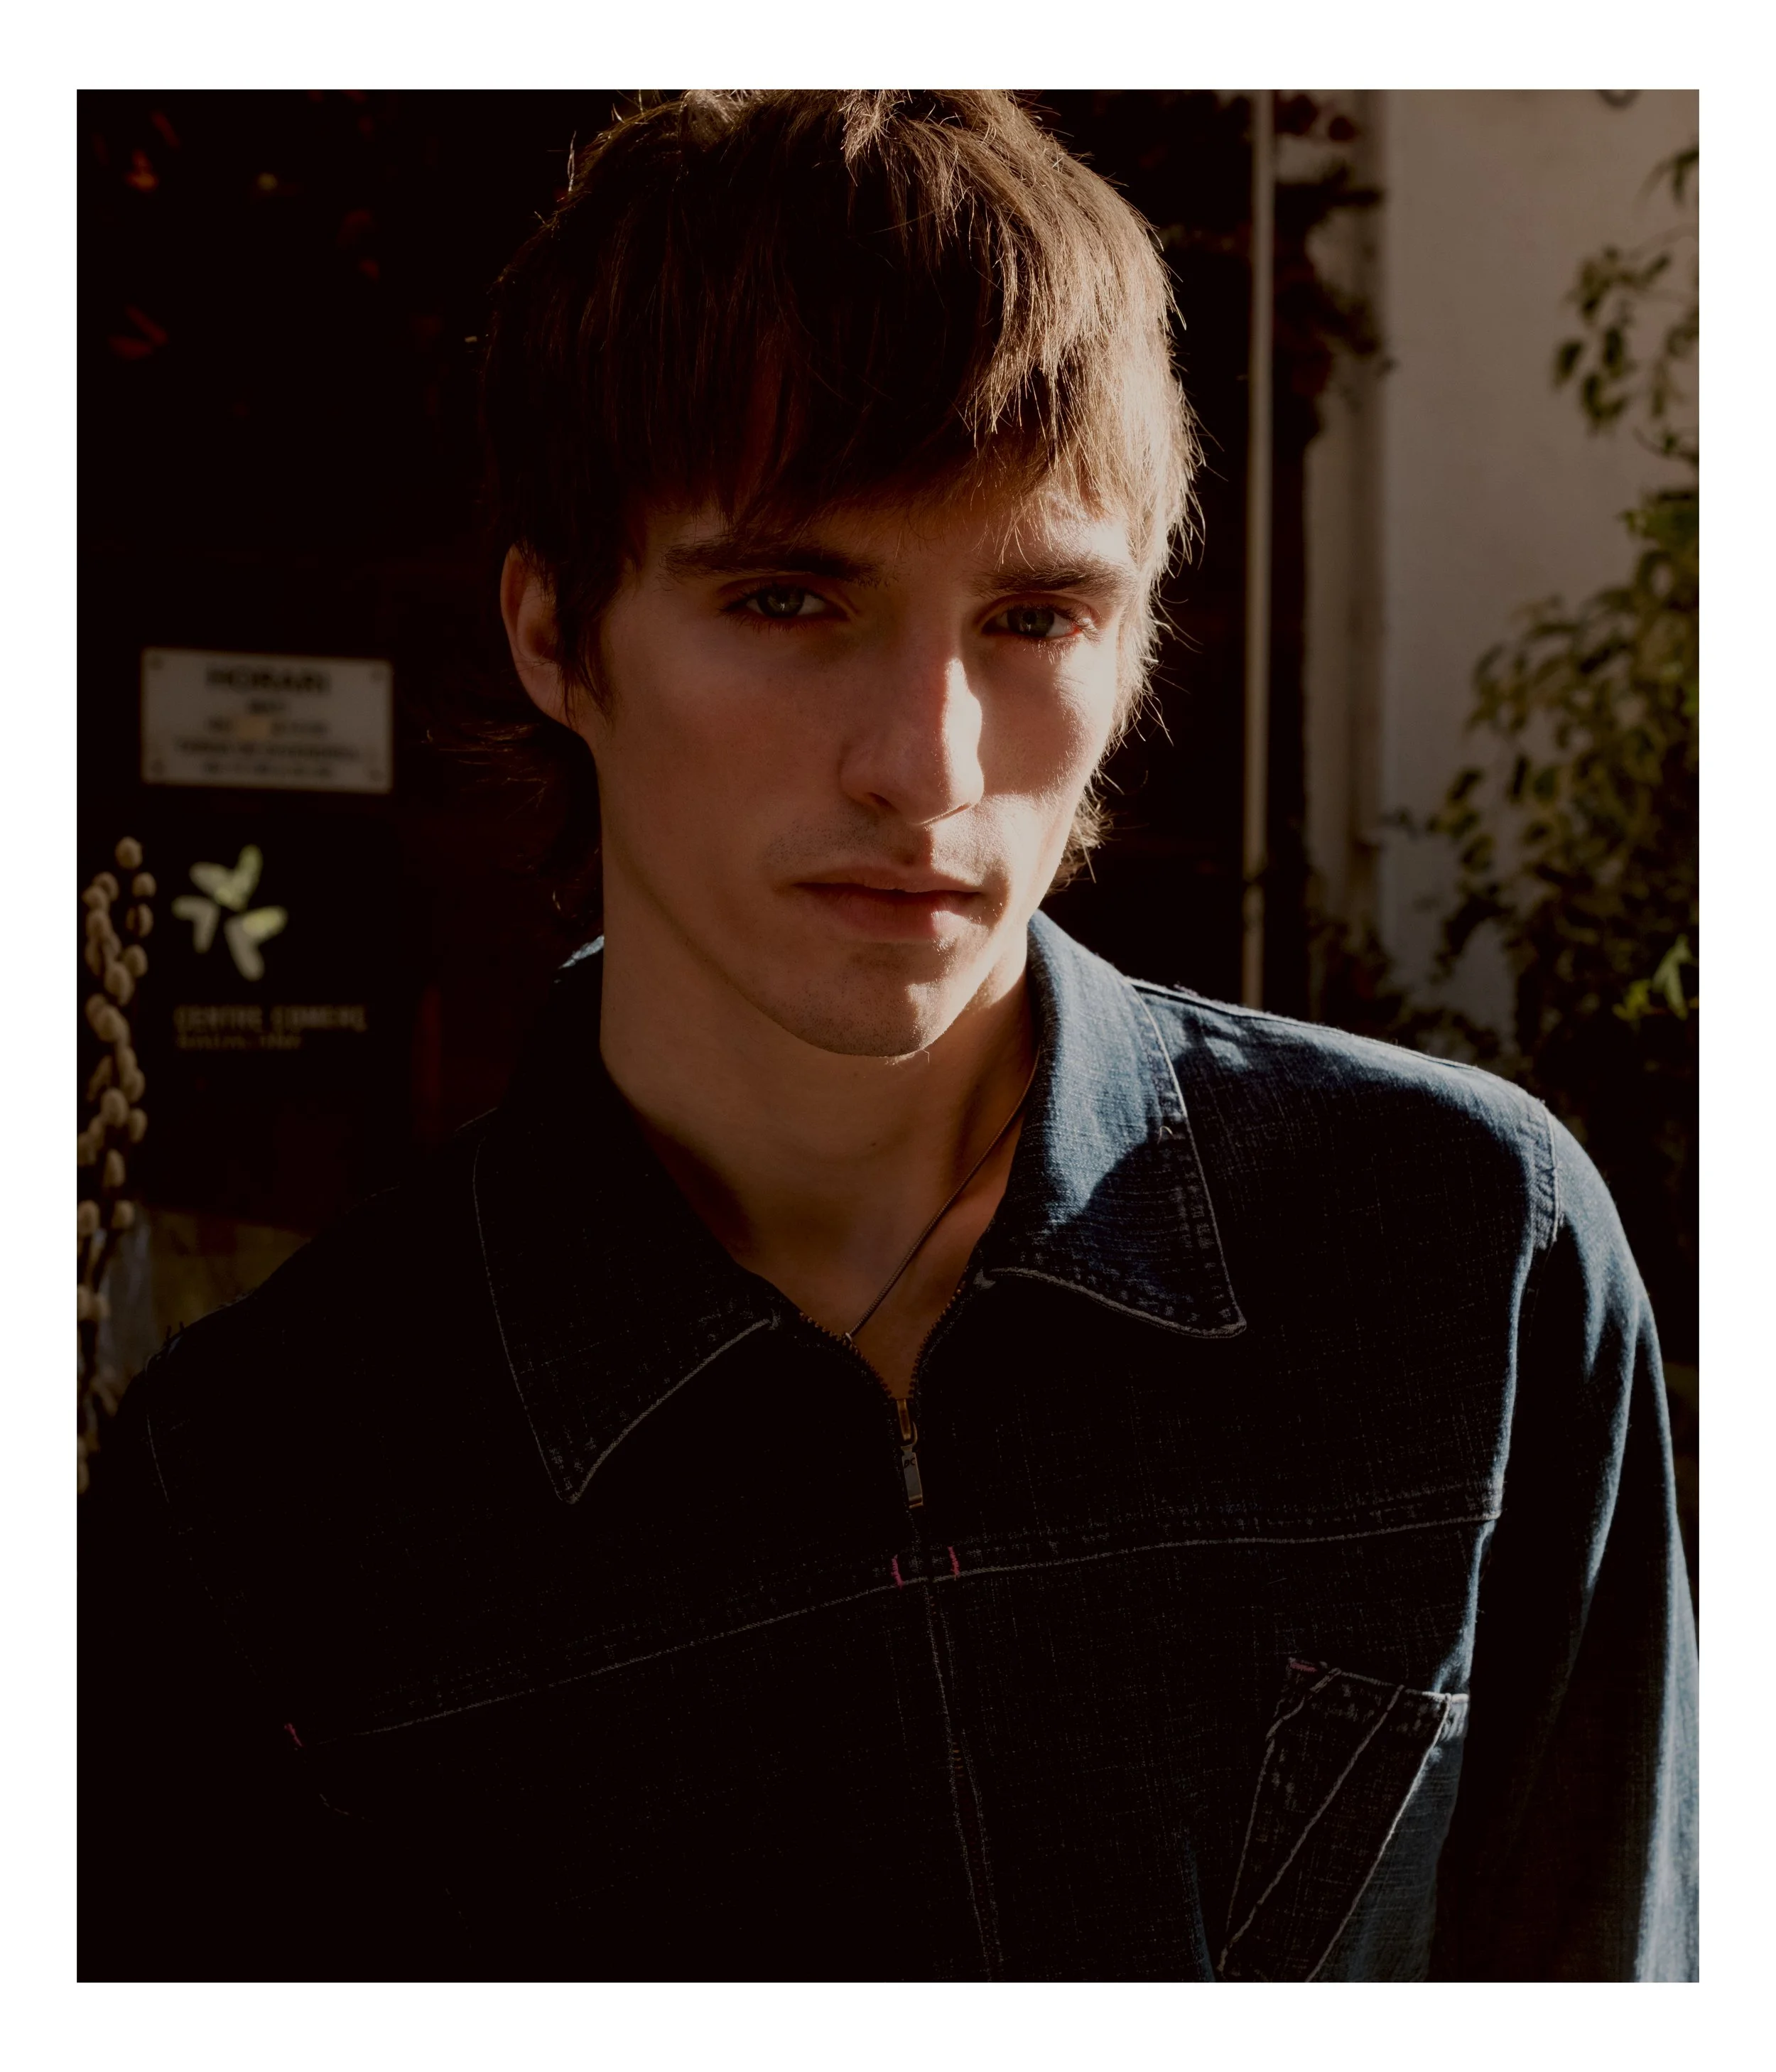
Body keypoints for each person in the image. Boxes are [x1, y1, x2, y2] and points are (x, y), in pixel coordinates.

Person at [80, 89, 1696, 1983]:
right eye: (788, 596)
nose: (927, 766)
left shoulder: (1459, 1254)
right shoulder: (267, 1485)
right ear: (550, 628)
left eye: (1030, 615)